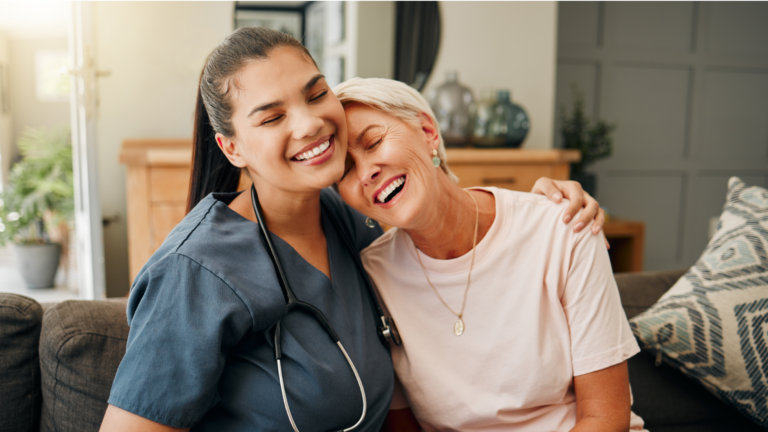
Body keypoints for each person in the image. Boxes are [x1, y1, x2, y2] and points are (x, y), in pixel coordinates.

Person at [100, 28, 604, 431]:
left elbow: (438, 209)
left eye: (316, 94)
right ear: (232, 148)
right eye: (272, 117)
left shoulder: (349, 217)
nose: (309, 124)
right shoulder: (195, 272)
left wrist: (537, 204)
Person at [334, 77, 646, 432]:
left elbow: (606, 418)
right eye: (344, 169)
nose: (366, 172)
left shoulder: (563, 227)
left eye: (373, 142)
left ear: (427, 132)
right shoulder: (372, 277)